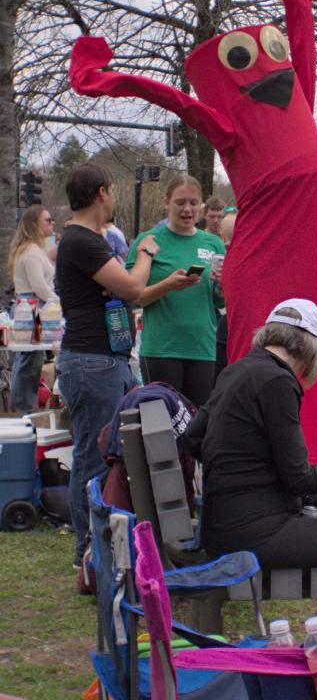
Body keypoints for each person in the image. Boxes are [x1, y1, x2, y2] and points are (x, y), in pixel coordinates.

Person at [186, 299, 317, 700]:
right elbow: (299, 478)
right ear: (311, 346)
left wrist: (248, 468)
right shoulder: (278, 381)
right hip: (258, 532)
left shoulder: (238, 370)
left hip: (222, 526)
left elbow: (192, 439)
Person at [56, 162, 160, 565]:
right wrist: (146, 252)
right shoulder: (80, 240)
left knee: (105, 456)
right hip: (90, 361)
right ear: (102, 192)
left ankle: (100, 546)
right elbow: (133, 286)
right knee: (91, 459)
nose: (114, 198)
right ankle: (89, 551)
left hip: (105, 359)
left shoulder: (89, 240)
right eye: (112, 192)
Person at [126, 174, 225, 407]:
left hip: (203, 348)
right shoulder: (148, 241)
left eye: (194, 202)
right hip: (162, 349)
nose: (188, 209)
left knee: (197, 427)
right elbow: (133, 297)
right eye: (180, 202)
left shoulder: (213, 244)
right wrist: (167, 285)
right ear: (166, 202)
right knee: (162, 429)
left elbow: (219, 302)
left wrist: (222, 287)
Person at [7, 206, 57, 413]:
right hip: (32, 309)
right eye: (48, 220)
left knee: (30, 358)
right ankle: (23, 409)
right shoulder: (32, 252)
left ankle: (24, 407)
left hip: (30, 308)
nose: (52, 223)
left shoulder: (32, 249)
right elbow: (38, 286)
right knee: (30, 359)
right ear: (35, 224)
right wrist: (57, 301)